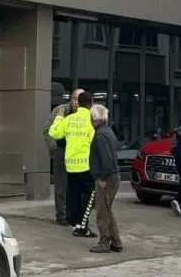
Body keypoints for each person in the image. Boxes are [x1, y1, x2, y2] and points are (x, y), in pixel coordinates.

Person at [48, 91, 97, 238]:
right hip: (86, 165)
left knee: (74, 195)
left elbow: (54, 133)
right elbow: (95, 142)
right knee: (91, 195)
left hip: (70, 165)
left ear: (79, 103)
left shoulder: (69, 119)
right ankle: (82, 226)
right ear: (90, 104)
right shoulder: (91, 120)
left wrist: (58, 119)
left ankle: (76, 225)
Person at [43, 88, 84, 226]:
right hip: (61, 150)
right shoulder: (60, 111)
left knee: (75, 186)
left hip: (77, 153)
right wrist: (55, 149)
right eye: (75, 99)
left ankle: (73, 214)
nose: (77, 102)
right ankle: (61, 215)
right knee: (61, 184)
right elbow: (47, 131)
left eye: (80, 99)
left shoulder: (84, 113)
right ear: (71, 99)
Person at [88, 104, 123, 253]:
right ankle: (116, 242)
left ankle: (104, 242)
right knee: (108, 210)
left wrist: (102, 177)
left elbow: (106, 160)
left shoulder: (100, 135)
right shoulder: (108, 131)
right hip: (113, 176)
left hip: (106, 178)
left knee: (102, 211)